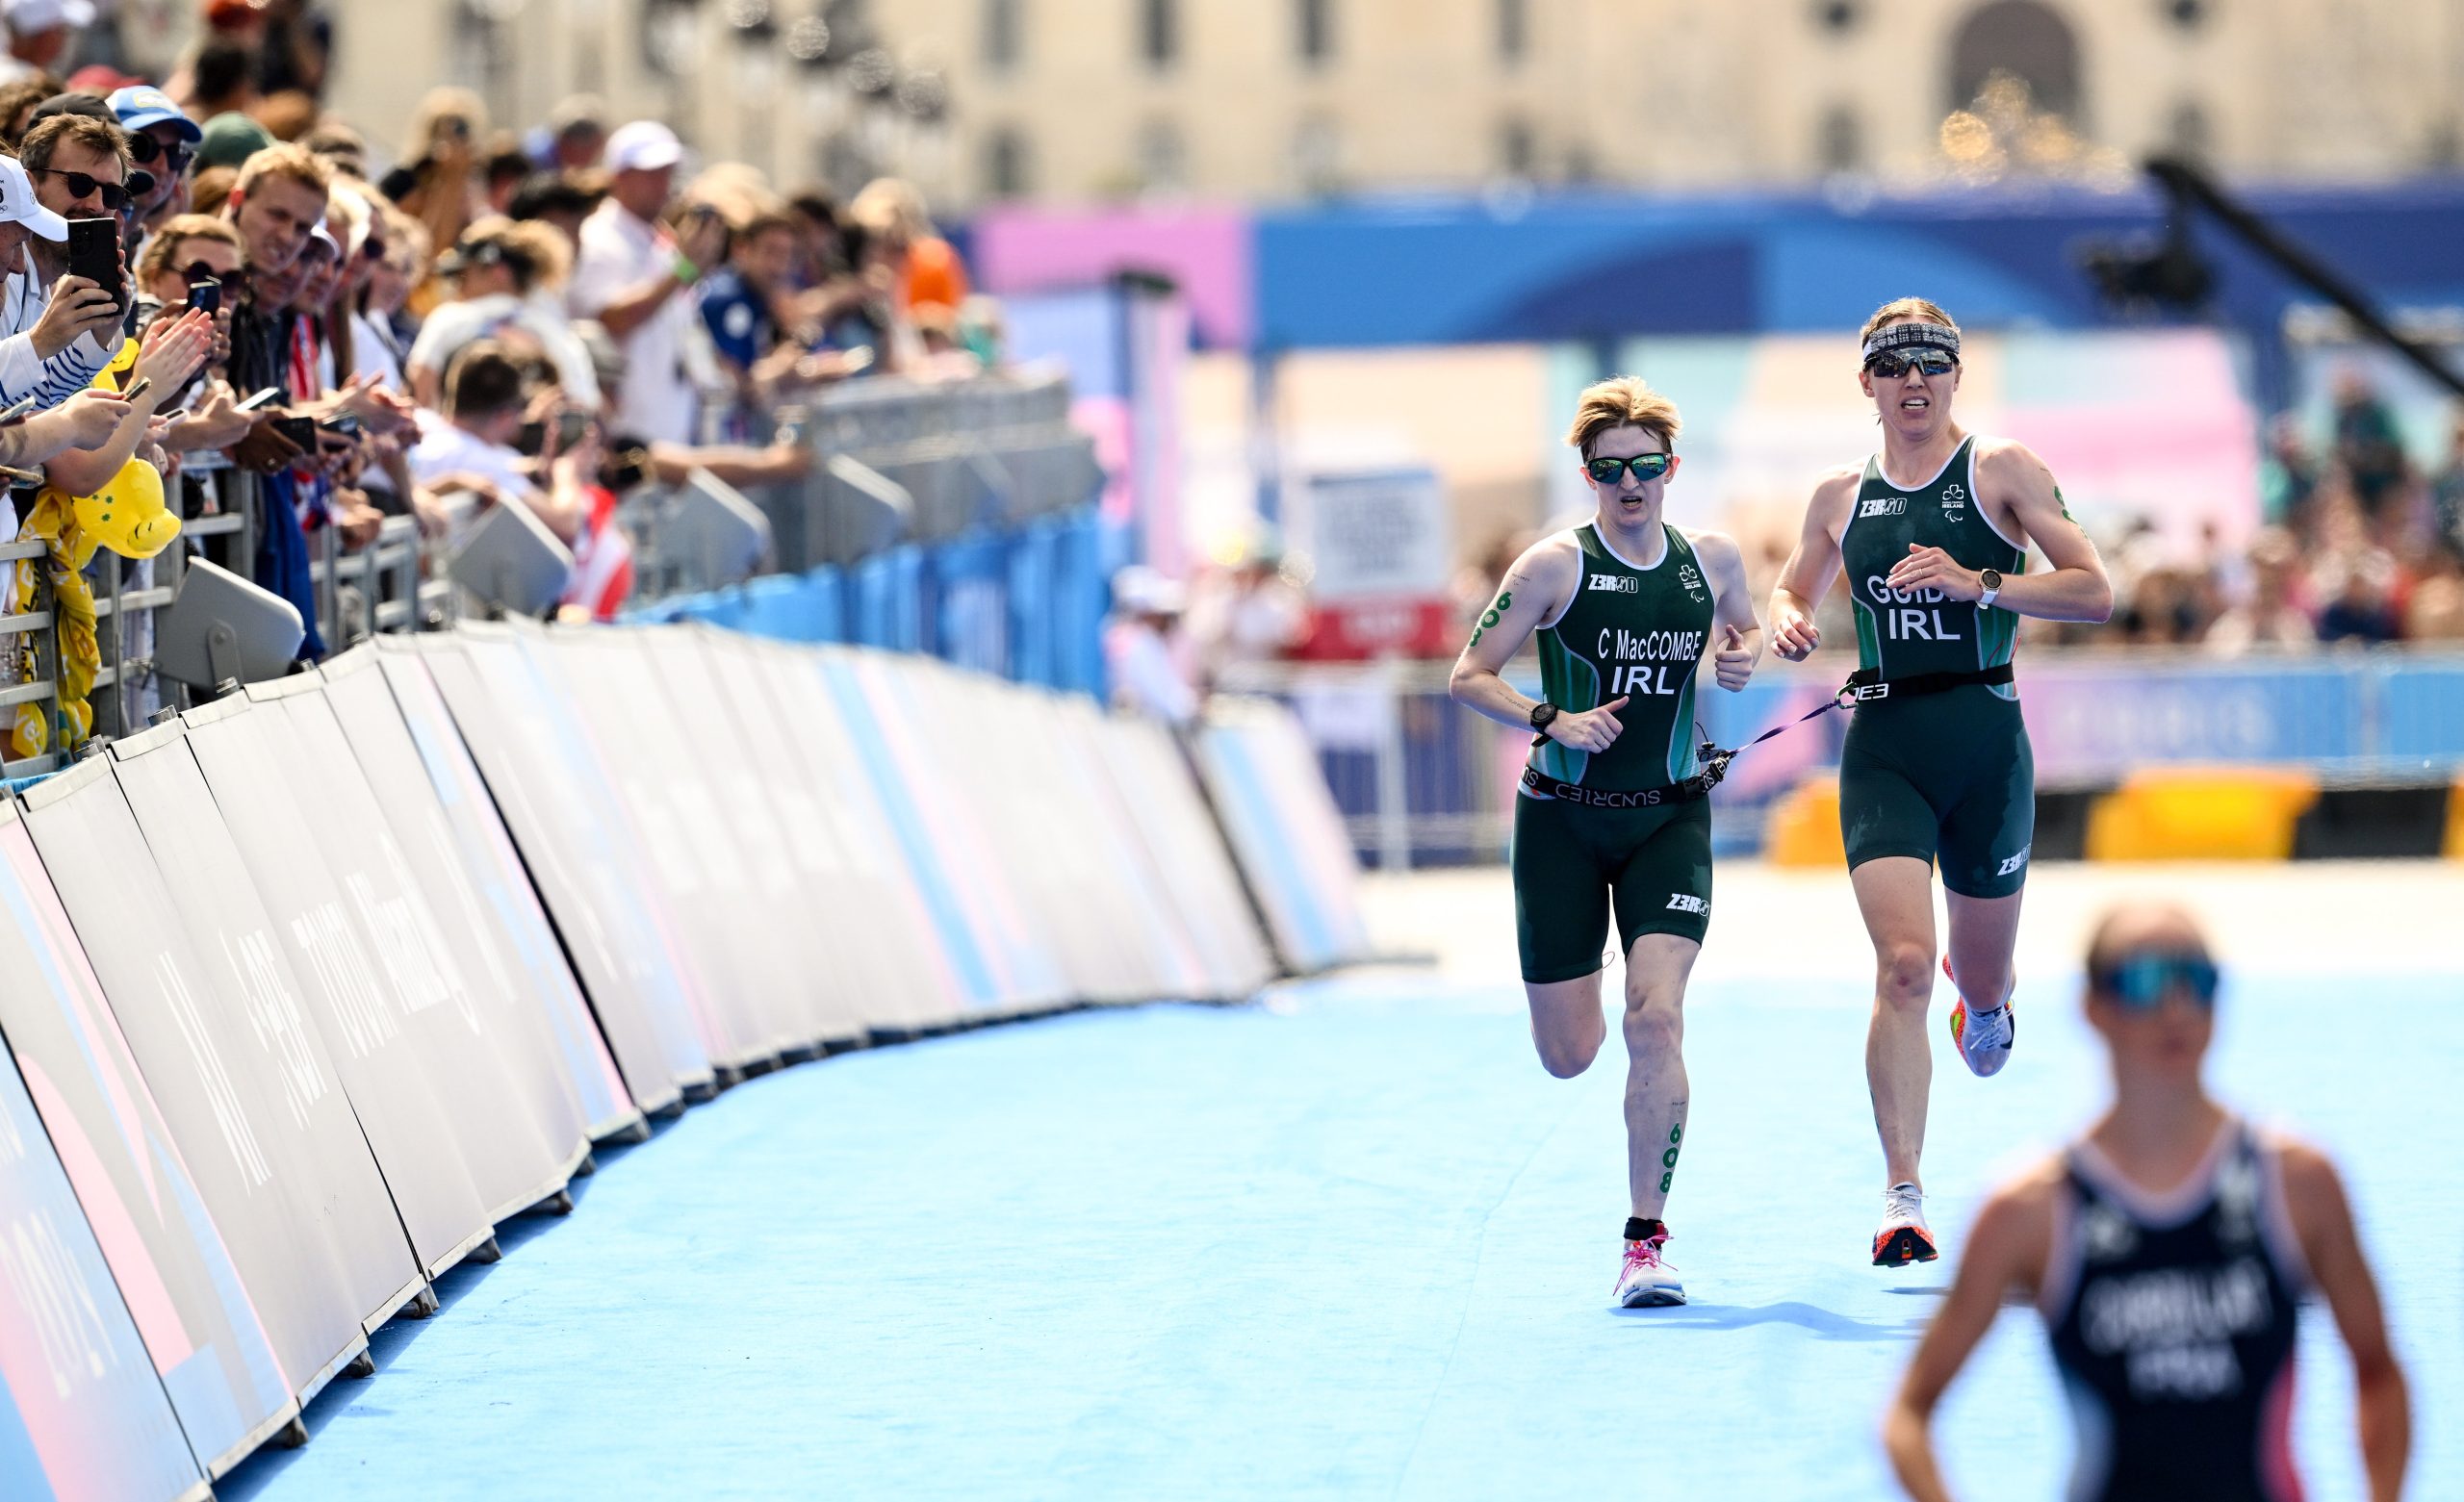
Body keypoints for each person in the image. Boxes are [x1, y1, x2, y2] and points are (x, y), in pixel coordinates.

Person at [1766, 298, 2113, 1267]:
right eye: (1893, 365)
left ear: (1954, 377)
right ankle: (1903, 1194)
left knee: (1980, 991)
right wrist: (1790, 614)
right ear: (1868, 384)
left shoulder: (2001, 470)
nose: (1912, 380)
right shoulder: (1840, 493)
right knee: (1903, 965)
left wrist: (1981, 583)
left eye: (1930, 363)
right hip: (1885, 743)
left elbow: (2094, 590)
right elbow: (1794, 582)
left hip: (1986, 743)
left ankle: (1990, 999)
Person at [1883, 903, 2410, 1502]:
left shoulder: (2297, 1185)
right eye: (2147, 982)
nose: (2176, 1008)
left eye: (2198, 983)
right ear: (2093, 1009)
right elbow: (1909, 1416)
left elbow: (2379, 1371)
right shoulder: (2031, 1211)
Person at [1448, 376, 1760, 1308]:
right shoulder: (1550, 565)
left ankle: (1644, 1241)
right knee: (1570, 1052)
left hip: (1669, 814)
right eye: (1609, 469)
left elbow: (1741, 631)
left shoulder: (1709, 559)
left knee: (1654, 1017)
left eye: (1646, 467)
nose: (1629, 483)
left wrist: (1741, 653)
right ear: (1585, 474)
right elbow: (1468, 673)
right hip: (1561, 822)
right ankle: (1571, 1006)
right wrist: (1551, 715)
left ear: (1671, 469)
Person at [567, 120, 726, 446]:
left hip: (673, 427)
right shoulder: (598, 239)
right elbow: (614, 317)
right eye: (651, 174)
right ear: (619, 177)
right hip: (630, 436)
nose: (663, 184)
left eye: (668, 173)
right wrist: (684, 269)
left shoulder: (662, 241)